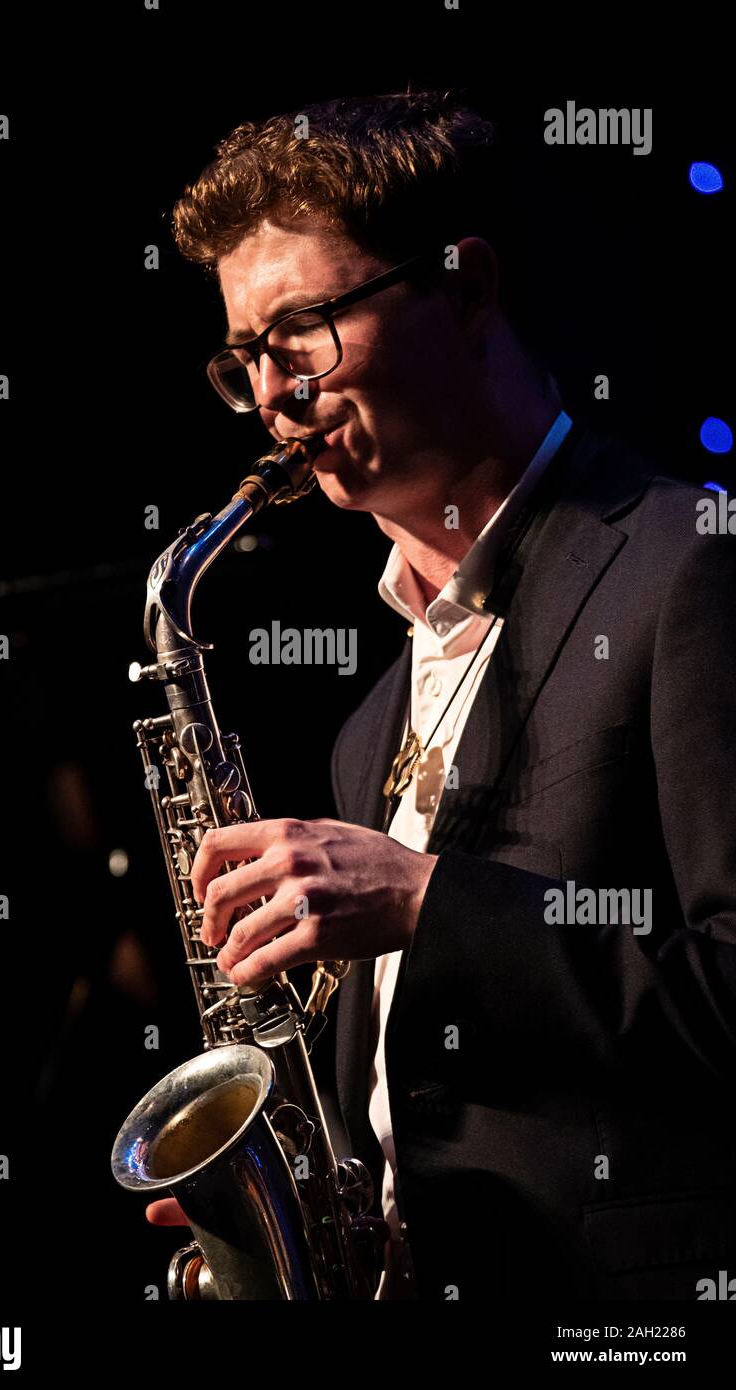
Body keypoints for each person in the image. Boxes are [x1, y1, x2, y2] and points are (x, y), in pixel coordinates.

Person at [145, 90, 736, 1300]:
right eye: (245, 358)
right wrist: (289, 1215)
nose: (274, 393)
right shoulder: (369, 722)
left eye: (301, 331)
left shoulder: (690, 563)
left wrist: (429, 900)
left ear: (464, 288)